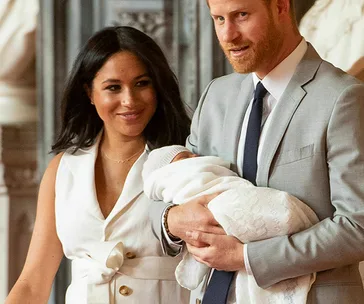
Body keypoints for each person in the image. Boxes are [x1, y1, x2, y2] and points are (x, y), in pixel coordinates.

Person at [149, 0, 364, 303]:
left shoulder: (343, 97)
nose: (228, 35)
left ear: (280, 7)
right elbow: (173, 184)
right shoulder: (215, 96)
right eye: (219, 19)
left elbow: (358, 226)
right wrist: (172, 220)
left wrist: (247, 257)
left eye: (241, 16)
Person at [5, 26, 191, 304]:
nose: (129, 100)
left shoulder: (182, 162)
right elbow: (33, 283)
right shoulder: (63, 170)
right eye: (113, 87)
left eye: (142, 83)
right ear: (90, 93)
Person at [143, 145, 318, 303]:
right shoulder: (177, 176)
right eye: (185, 158)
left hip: (307, 251)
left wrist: (244, 256)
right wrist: (172, 216)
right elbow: (155, 204)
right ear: (167, 173)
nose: (195, 157)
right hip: (217, 216)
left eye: (190, 154)